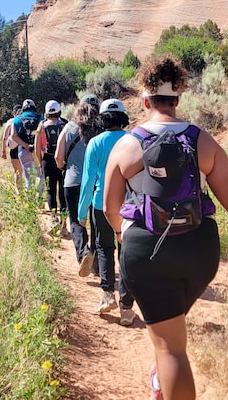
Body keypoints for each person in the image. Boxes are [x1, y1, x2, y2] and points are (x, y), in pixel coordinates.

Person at [103, 55, 228, 399]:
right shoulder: (203, 141)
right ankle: (161, 377)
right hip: (200, 251)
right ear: (178, 99)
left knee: (172, 347)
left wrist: (122, 236)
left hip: (147, 251)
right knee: (170, 331)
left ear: (145, 100)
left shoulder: (126, 144)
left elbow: (110, 208)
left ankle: (164, 377)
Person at [78, 98, 136, 325]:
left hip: (101, 204)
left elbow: (88, 180)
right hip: (130, 206)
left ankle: (107, 294)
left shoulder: (95, 143)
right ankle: (127, 308)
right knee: (127, 252)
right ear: (123, 117)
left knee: (103, 247)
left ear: (102, 119)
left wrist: (81, 213)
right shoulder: (134, 140)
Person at [55, 94, 102, 275]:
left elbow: (59, 156)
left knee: (76, 220)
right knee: (96, 222)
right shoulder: (101, 129)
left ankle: (83, 252)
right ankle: (99, 263)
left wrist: (63, 167)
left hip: (73, 181)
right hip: (96, 183)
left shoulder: (69, 127)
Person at [35, 100, 68, 230]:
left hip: (47, 161)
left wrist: (39, 164)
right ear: (59, 111)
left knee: (50, 192)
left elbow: (37, 149)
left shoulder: (41, 126)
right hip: (63, 161)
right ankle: (64, 224)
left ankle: (53, 219)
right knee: (63, 193)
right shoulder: (65, 125)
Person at [10, 99, 44, 190]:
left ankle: (30, 200)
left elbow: (13, 136)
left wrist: (25, 145)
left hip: (24, 152)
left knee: (28, 178)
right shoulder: (41, 119)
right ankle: (40, 199)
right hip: (39, 152)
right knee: (40, 176)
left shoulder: (17, 120)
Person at [1, 104, 23, 189]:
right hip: (24, 147)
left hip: (14, 148)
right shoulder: (24, 120)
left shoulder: (10, 122)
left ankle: (19, 193)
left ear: (13, 112)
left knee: (17, 172)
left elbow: (4, 138)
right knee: (28, 172)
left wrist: (3, 151)